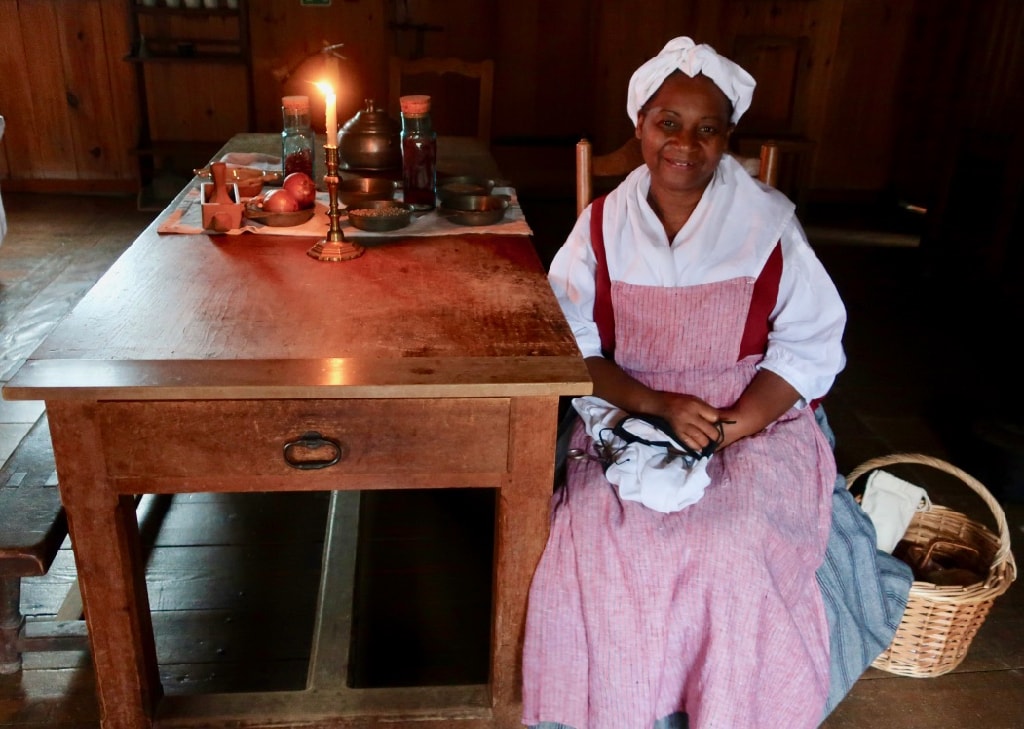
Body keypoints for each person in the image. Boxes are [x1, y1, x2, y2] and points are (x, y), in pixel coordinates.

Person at [522, 37, 851, 729]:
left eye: (708, 129)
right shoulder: (603, 225)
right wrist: (653, 403)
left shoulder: (768, 224)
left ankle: (724, 710)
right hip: (628, 402)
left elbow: (809, 343)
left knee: (730, 542)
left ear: (728, 138)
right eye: (667, 122)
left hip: (744, 412)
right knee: (602, 535)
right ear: (639, 125)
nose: (685, 144)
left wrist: (730, 426)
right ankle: (627, 704)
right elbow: (570, 347)